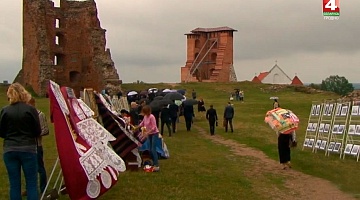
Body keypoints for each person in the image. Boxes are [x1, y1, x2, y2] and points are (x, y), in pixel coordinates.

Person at [0, 83, 41, 200]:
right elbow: (37, 131)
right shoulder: (31, 110)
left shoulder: (5, 111)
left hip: (10, 149)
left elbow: (1, 132)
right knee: (32, 183)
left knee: (14, 184)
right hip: (28, 148)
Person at [27, 98, 49, 196]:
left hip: (36, 146)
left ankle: (43, 188)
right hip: (26, 146)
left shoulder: (40, 115)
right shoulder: (25, 115)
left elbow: (45, 130)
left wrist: (34, 134)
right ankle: (30, 189)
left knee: (40, 168)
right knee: (29, 169)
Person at [138, 105, 160, 172]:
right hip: (149, 134)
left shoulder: (152, 117)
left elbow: (154, 127)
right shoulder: (145, 116)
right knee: (150, 149)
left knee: (153, 149)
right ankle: (153, 161)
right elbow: (142, 123)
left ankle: (156, 164)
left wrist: (148, 132)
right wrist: (137, 127)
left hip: (154, 134)